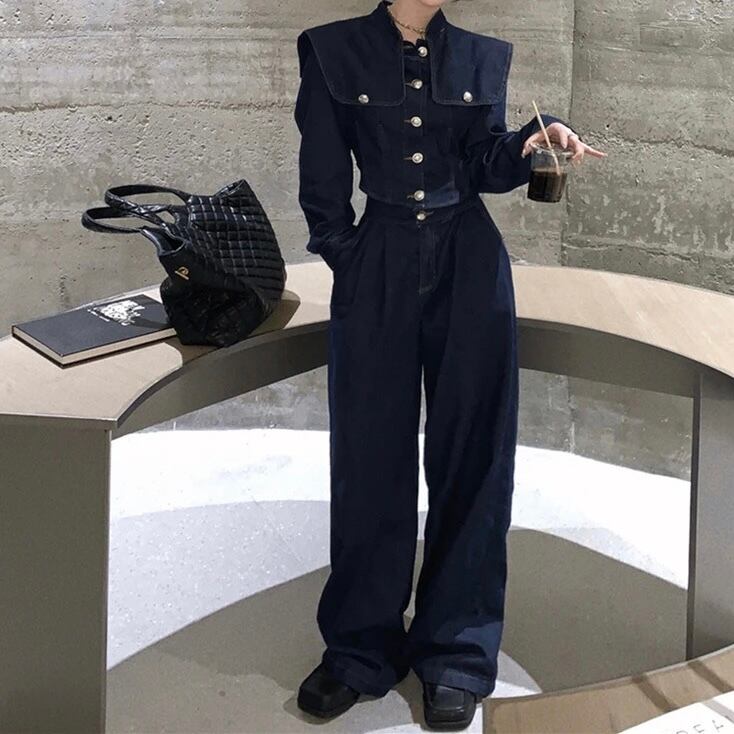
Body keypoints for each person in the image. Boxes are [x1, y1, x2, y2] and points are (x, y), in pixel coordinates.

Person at [293, 0, 606, 729]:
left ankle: (456, 652)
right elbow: (321, 167)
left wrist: (533, 140)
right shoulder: (331, 49)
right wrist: (346, 254)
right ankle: (359, 649)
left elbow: (484, 165)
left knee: (474, 457)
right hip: (379, 260)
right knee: (370, 456)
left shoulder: (481, 55)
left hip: (470, 261)